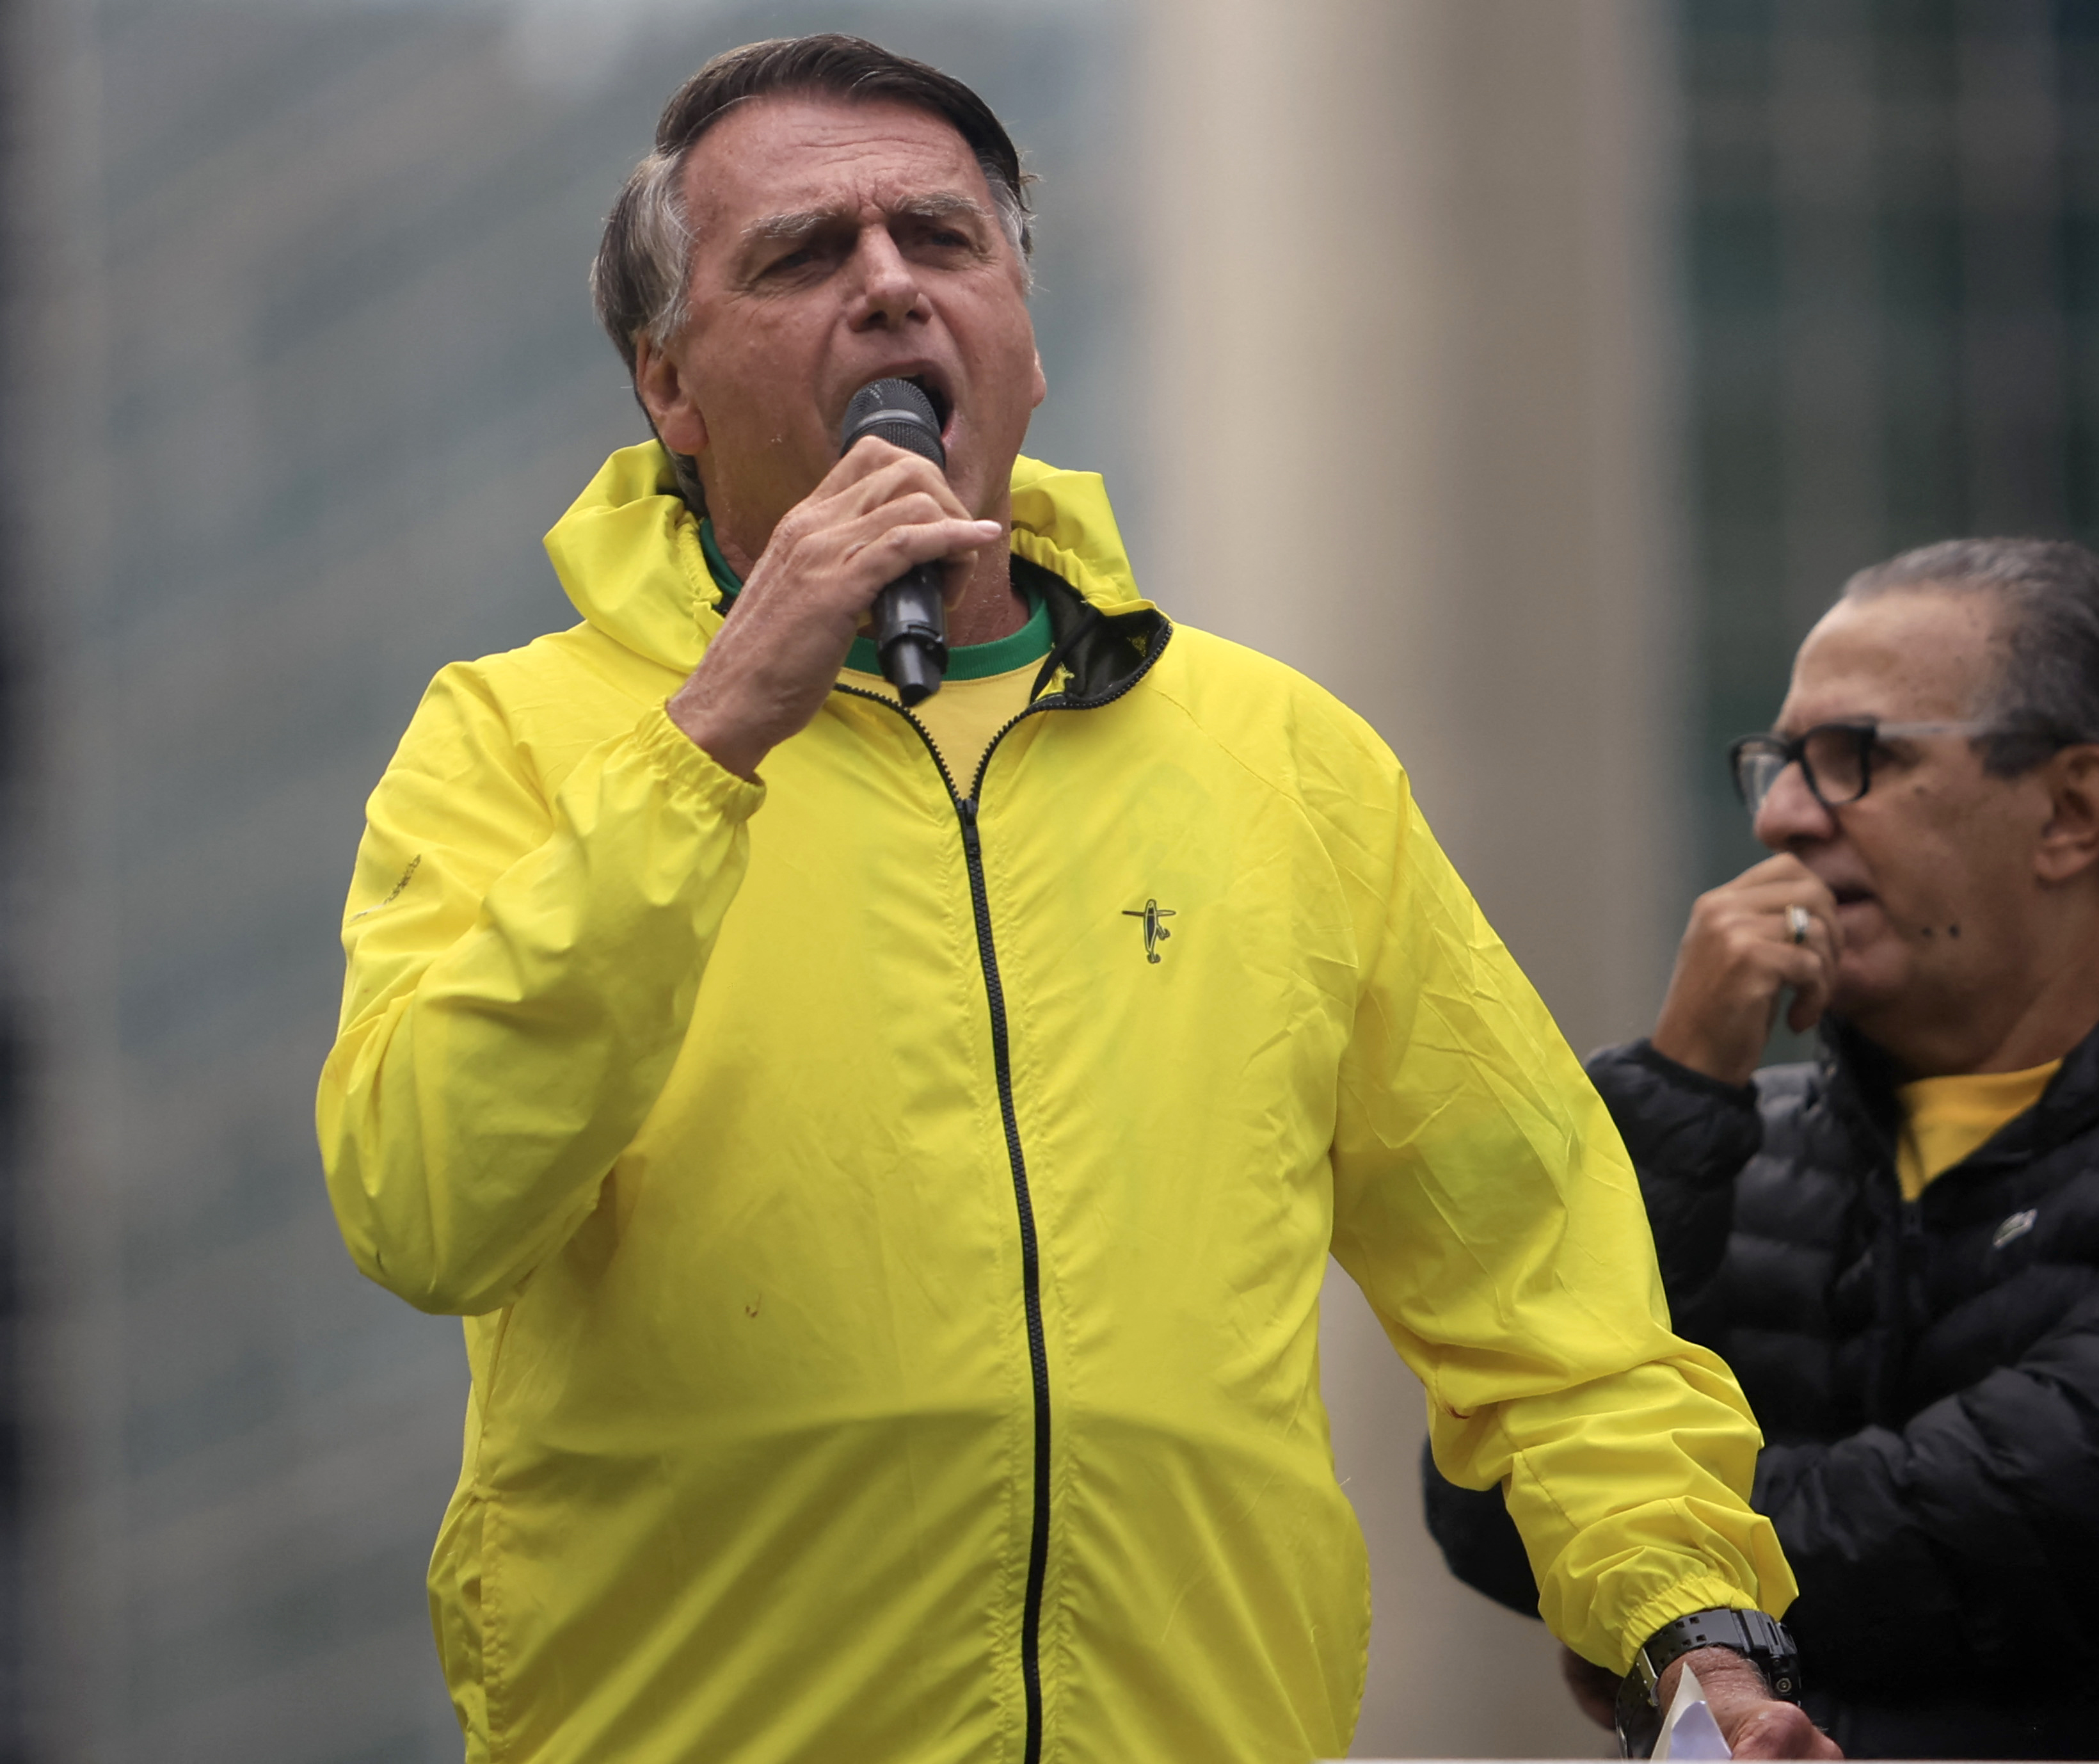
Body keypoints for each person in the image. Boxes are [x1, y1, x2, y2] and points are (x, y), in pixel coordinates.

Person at [316, 35, 1833, 1764]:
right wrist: (717, 728)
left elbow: (1545, 1293)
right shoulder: (516, 740)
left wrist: (1689, 1631)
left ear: (1023, 341)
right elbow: (426, 1201)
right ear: (669, 387)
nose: (889, 286)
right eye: (803, 256)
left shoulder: (1281, 762)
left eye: (941, 239)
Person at [1424, 538, 2099, 1759]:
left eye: (1858, 757)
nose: (1782, 815)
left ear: (2070, 810)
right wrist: (1679, 1091)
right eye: (1777, 765)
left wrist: (1656, 1575)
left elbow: (2028, 1521)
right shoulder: (1745, 1139)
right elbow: (1491, 1496)